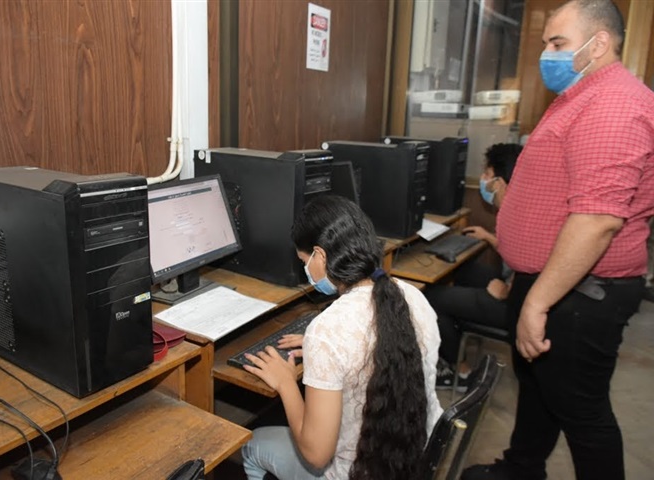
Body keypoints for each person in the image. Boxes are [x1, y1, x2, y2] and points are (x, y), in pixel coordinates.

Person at [462, 1, 654, 479]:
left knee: (581, 411)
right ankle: (522, 468)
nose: (546, 54)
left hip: (580, 291)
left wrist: (538, 302)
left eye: (558, 43)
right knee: (539, 388)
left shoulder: (613, 104)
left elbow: (597, 220)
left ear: (599, 43)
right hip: (556, 282)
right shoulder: (580, 96)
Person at [240, 195, 443, 480]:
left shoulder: (327, 331)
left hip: (352, 474)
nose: (305, 270)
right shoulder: (412, 296)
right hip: (415, 462)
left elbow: (316, 454)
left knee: (251, 445)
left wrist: (286, 383)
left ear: (320, 255)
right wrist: (321, 350)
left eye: (303, 261)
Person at [425, 143, 522, 390]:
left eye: (487, 174)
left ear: (500, 182)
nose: (483, 179)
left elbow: (535, 260)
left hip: (515, 302)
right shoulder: (517, 206)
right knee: (461, 271)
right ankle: (453, 334)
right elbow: (517, 250)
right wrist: (489, 238)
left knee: (431, 298)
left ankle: (461, 372)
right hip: (512, 286)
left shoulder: (518, 214)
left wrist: (508, 289)